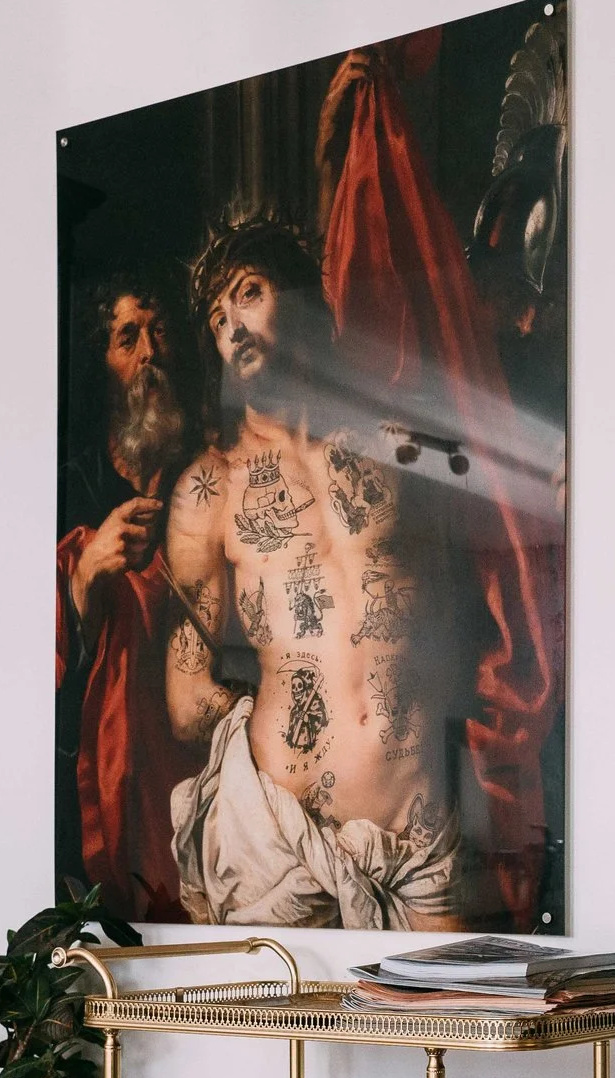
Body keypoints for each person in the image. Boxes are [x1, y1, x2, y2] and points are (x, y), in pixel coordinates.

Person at [163, 215, 471, 930]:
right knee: (279, 1045)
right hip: (280, 843)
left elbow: (462, 605)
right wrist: (287, 709)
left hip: (418, 842)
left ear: (301, 301)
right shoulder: (210, 490)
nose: (232, 325)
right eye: (216, 318)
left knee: (455, 1033)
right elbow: (185, 700)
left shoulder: (398, 450)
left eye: (249, 293)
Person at [54, 268, 208, 920]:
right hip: (99, 766)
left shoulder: (210, 471)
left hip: (192, 757)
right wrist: (88, 572)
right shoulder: (71, 480)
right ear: (105, 362)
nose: (149, 353)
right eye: (127, 338)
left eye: (159, 332)